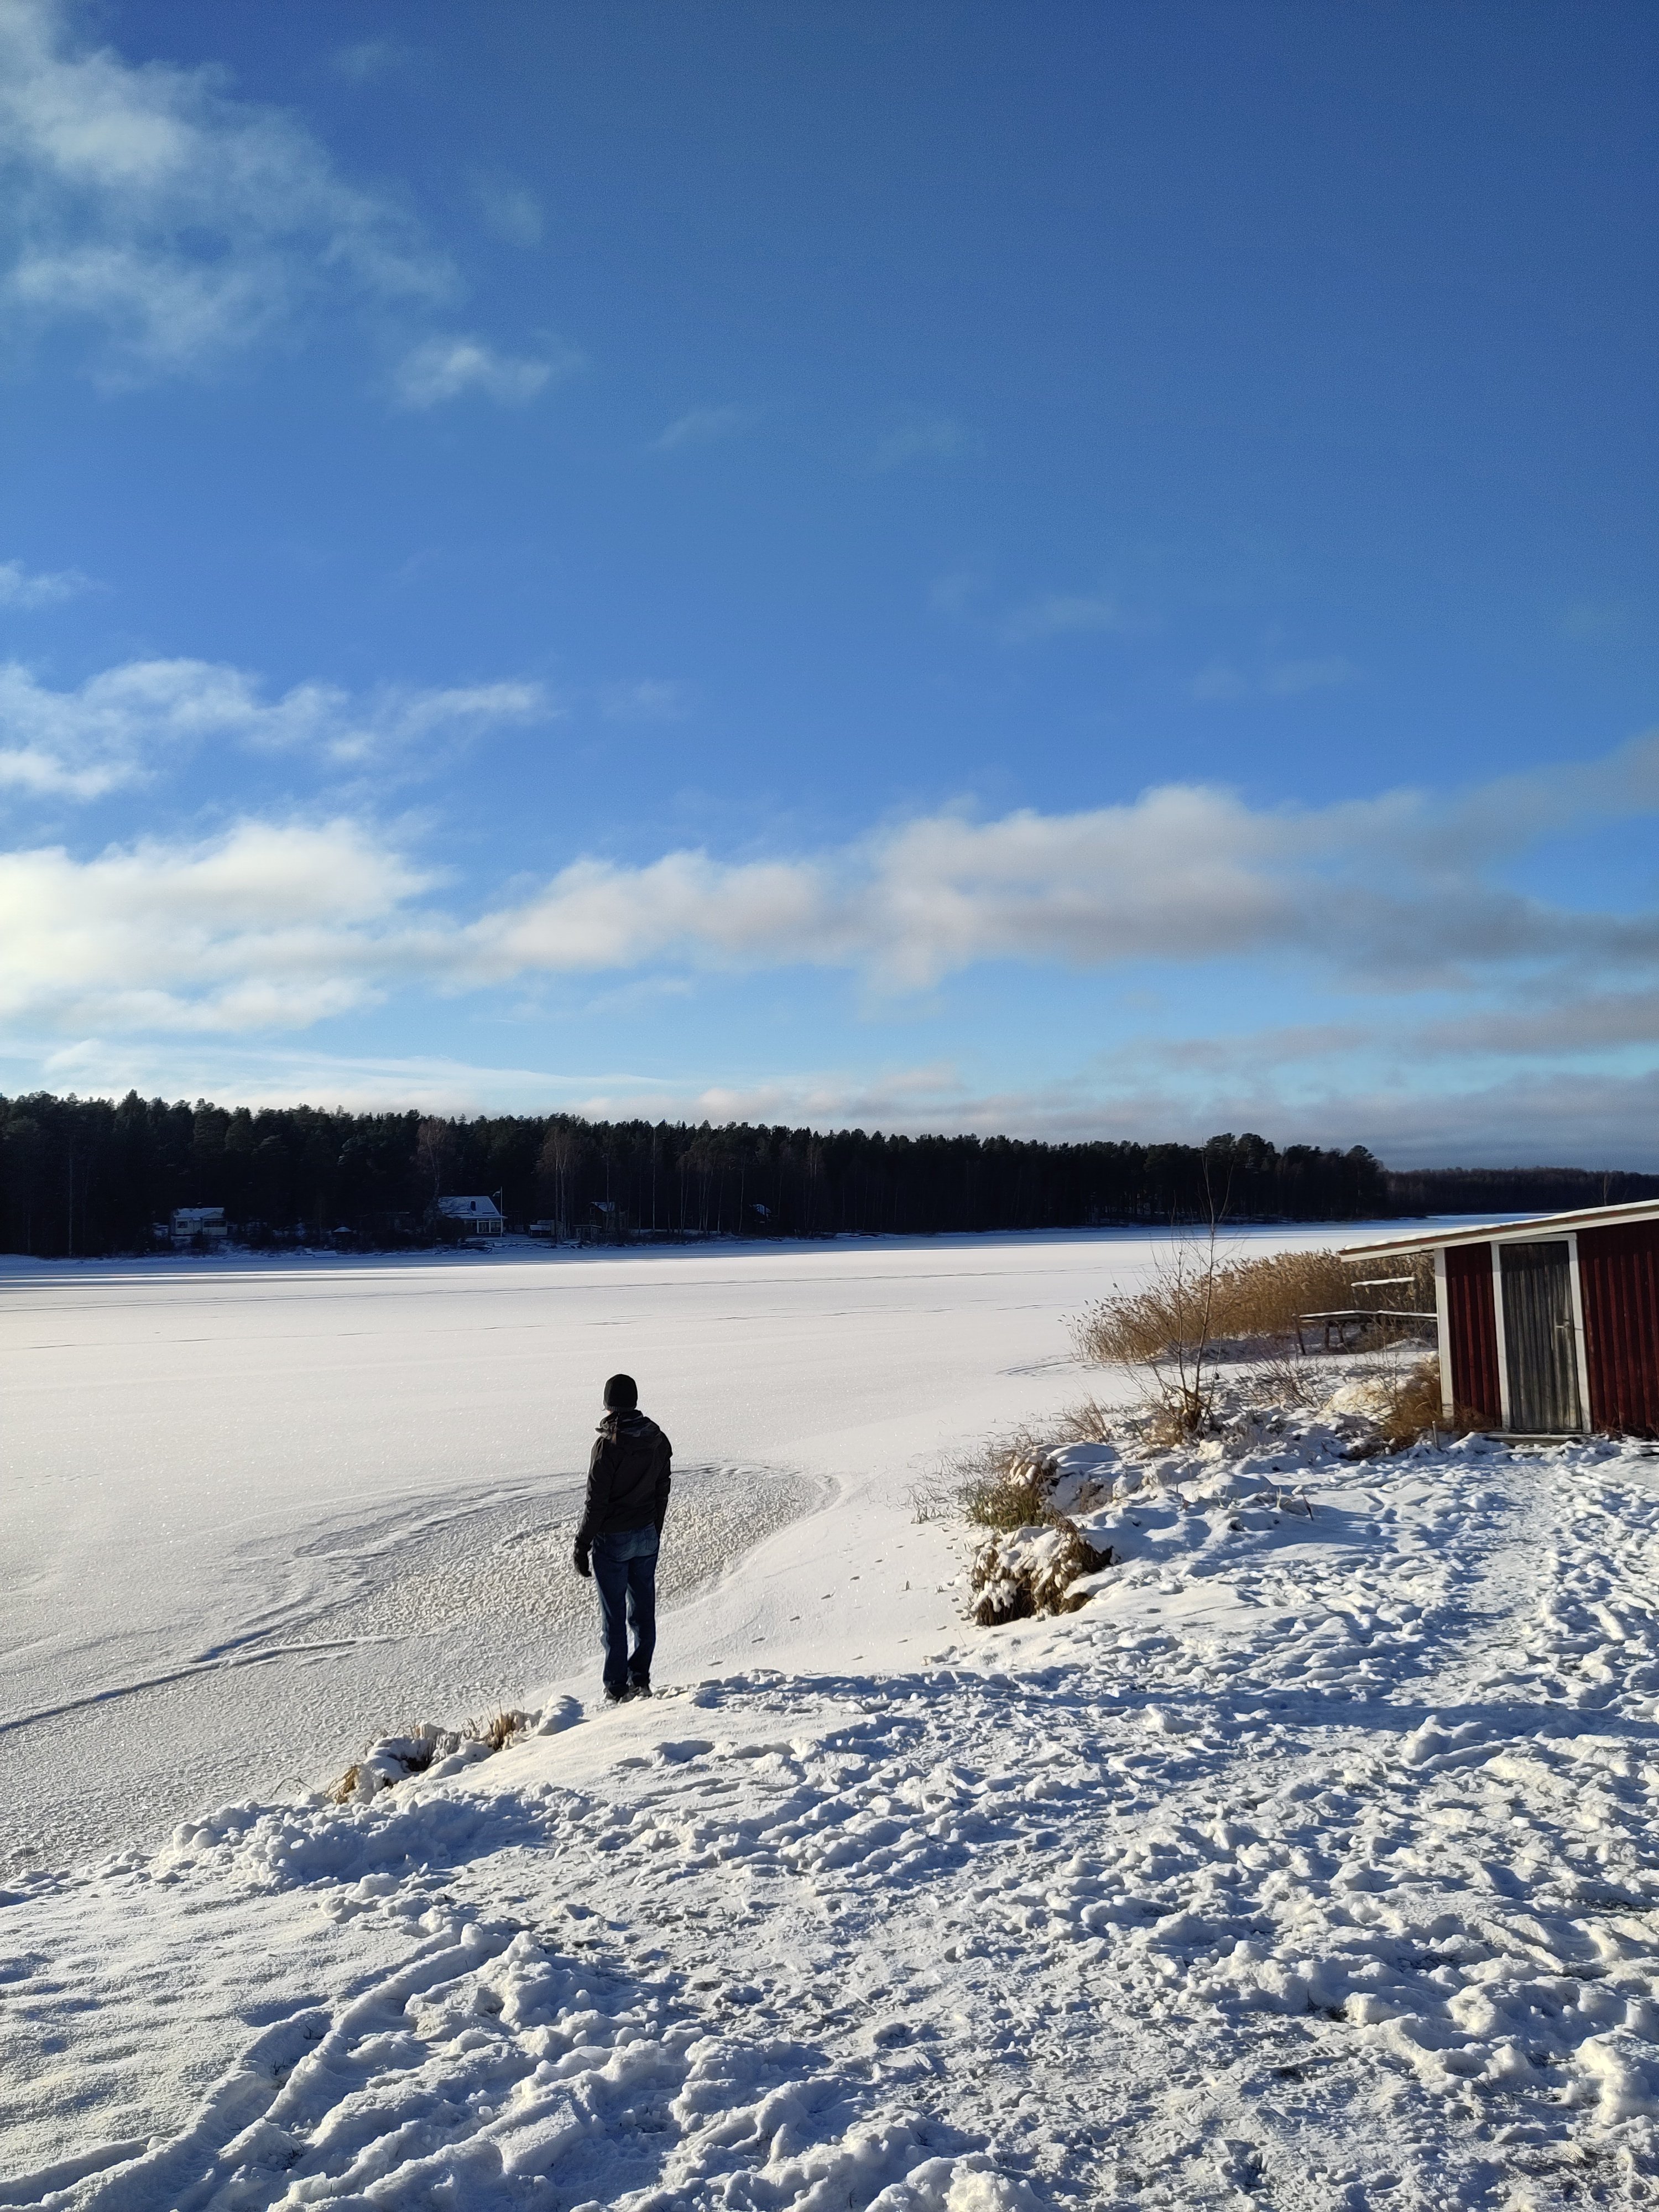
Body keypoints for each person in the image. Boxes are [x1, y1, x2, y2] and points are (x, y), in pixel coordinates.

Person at [572, 1373, 672, 1703]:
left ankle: (616, 1688)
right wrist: (653, 1530)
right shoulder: (657, 1438)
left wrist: (582, 1543)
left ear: (608, 1404)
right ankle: (640, 1680)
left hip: (613, 1540)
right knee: (643, 1611)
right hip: (646, 1535)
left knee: (614, 1616)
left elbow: (595, 1502)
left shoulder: (607, 1446)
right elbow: (662, 1489)